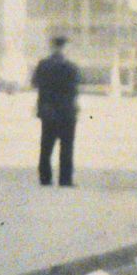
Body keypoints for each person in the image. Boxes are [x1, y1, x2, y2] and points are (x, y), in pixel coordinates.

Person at [31, 35, 81, 187]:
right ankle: (65, 179)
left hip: (48, 110)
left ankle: (45, 178)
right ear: (65, 47)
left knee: (46, 145)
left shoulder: (43, 64)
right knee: (67, 146)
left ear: (52, 47)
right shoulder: (71, 66)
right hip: (67, 111)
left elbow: (34, 83)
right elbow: (75, 87)